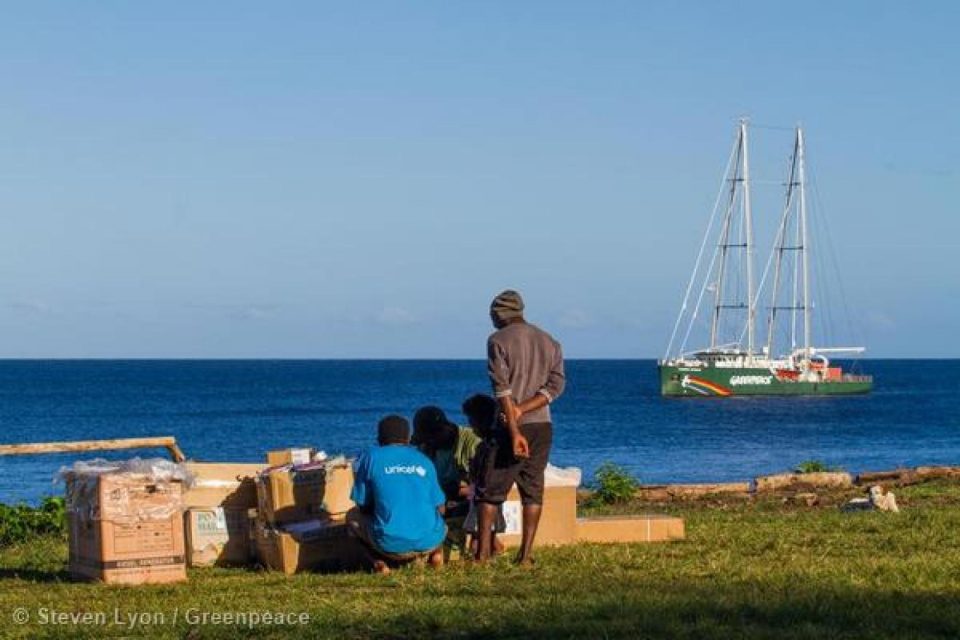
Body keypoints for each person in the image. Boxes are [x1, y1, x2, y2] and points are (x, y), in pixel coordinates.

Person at [475, 290, 565, 565]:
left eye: (492, 314)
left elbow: (502, 389)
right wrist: (526, 407)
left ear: (500, 314)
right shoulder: (549, 341)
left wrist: (514, 425)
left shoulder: (497, 341)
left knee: (491, 491)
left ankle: (482, 554)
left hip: (509, 427)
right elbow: (556, 385)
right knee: (533, 489)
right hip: (542, 424)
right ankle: (525, 555)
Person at [348, 414, 447, 574]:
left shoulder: (371, 458)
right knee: (437, 521)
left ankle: (379, 563)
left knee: (351, 516)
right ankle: (435, 554)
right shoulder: (423, 460)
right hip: (429, 541)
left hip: (389, 545)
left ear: (380, 439)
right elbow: (441, 508)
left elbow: (363, 506)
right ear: (408, 439)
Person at [413, 405, 481, 555]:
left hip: (469, 499)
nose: (427, 443)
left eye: (430, 439)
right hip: (441, 499)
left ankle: (483, 544)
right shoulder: (426, 447)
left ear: (443, 430)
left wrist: (459, 491)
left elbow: (486, 486)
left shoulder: (472, 442)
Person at [461, 393, 506, 556]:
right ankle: (493, 549)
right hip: (489, 497)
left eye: (472, 422)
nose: (471, 427)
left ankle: (480, 555)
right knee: (490, 531)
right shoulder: (489, 444)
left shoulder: (488, 446)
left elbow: (482, 474)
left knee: (477, 534)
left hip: (481, 497)